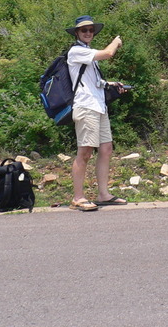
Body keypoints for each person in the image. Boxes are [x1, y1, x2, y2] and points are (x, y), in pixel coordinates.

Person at [66, 15, 128, 211]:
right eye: (84, 30)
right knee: (85, 152)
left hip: (99, 106)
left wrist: (111, 85)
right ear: (77, 33)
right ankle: (78, 197)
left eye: (91, 30)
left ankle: (103, 194)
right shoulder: (76, 51)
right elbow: (108, 53)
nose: (88, 33)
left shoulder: (88, 54)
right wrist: (116, 42)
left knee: (106, 148)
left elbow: (94, 81)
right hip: (86, 107)